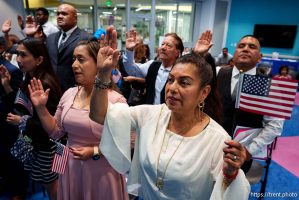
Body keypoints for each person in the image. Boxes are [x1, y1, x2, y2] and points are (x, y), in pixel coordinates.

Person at [89, 26, 250, 200]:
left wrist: (230, 174)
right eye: (171, 80)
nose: (172, 88)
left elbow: (229, 192)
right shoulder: (150, 115)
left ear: (204, 92)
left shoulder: (217, 140)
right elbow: (99, 115)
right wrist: (103, 73)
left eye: (184, 82)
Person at [28, 40, 128, 200]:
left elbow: (126, 143)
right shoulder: (69, 94)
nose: (74, 65)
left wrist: (95, 151)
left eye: (81, 59)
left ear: (99, 63)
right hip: (71, 166)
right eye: (73, 59)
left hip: (102, 170)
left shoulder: (116, 101)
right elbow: (55, 131)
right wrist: (41, 108)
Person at [0, 38, 62, 200]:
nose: (18, 59)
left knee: (53, 186)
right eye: (17, 54)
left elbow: (52, 124)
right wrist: (7, 86)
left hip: (48, 147)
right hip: (36, 143)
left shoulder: (45, 83)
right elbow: (20, 107)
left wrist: (21, 121)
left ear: (39, 59)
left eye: (23, 55)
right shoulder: (29, 77)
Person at [216, 35, 284, 173]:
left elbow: (275, 125)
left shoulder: (269, 85)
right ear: (234, 55)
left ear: (259, 57)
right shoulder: (217, 73)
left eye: (252, 47)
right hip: (211, 147)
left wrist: (248, 151)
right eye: (241, 46)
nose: (245, 49)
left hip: (241, 154)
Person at [122, 29, 184, 104]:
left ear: (177, 52)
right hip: (151, 113)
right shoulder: (152, 65)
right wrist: (129, 51)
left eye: (169, 46)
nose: (163, 48)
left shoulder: (181, 71)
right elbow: (132, 70)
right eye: (162, 44)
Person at [0, 36, 28, 200]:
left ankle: (19, 191)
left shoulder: (12, 70)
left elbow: (18, 103)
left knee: (12, 160)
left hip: (8, 122)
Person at [46, 3, 92, 92]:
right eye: (58, 14)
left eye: (64, 14)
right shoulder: (50, 38)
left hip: (74, 89)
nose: (59, 16)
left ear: (75, 18)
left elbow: (90, 67)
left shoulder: (87, 38)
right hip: (51, 89)